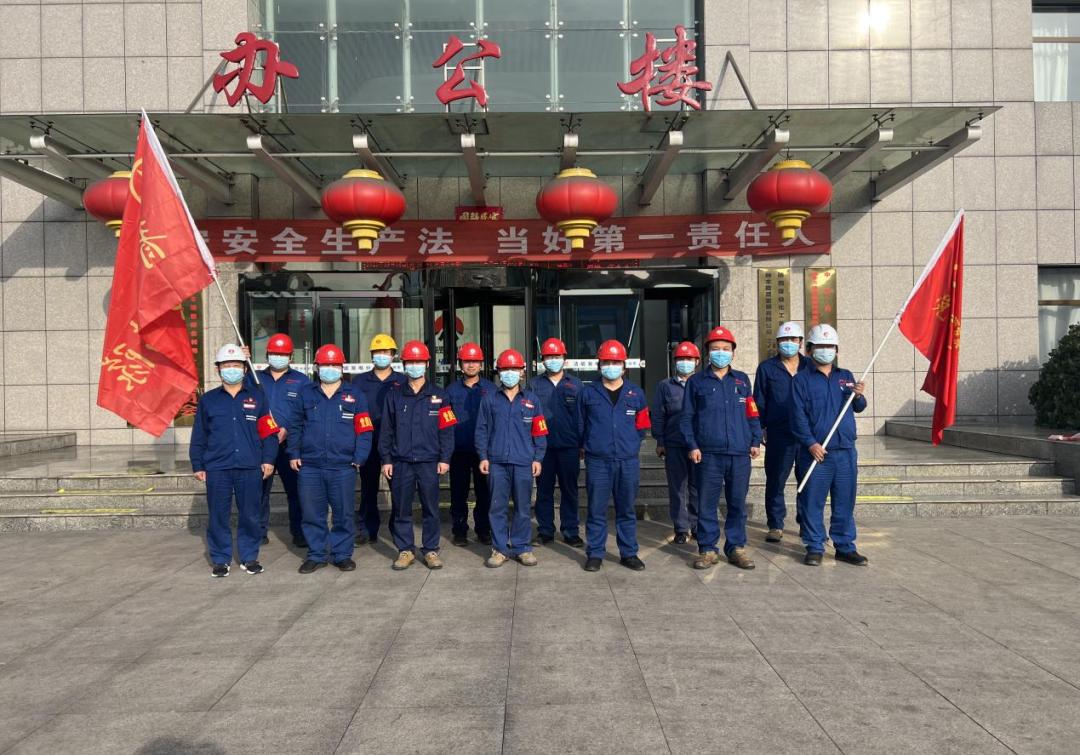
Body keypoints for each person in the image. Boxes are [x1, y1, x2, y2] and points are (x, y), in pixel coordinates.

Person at [190, 344, 278, 578]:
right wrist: (198, 464)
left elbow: (269, 433)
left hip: (250, 466)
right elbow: (199, 435)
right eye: (227, 365)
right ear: (218, 369)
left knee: (251, 514)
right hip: (217, 466)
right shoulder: (208, 400)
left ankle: (249, 557)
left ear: (245, 369)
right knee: (218, 515)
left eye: (236, 365)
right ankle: (221, 559)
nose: (232, 369)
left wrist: (269, 459)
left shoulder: (257, 397)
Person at [286, 344, 374, 574]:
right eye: (325, 365)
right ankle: (316, 555)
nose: (330, 369)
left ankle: (342, 555)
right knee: (311, 513)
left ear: (342, 368)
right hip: (310, 465)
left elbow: (364, 429)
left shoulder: (355, 395)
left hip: (343, 465)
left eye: (334, 365)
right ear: (317, 367)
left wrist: (360, 456)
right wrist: (293, 453)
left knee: (343, 513)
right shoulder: (305, 393)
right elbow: (295, 426)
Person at [680, 326, 761, 571]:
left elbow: (752, 412)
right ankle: (707, 549)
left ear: (733, 352)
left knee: (737, 503)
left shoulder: (742, 380)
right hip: (708, 454)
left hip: (739, 453)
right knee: (706, 503)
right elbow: (686, 418)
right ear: (707, 352)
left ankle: (736, 547)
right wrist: (692, 445)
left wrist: (755, 440)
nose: (721, 353)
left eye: (726, 348)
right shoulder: (696, 382)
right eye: (716, 348)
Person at [790, 324, 869, 567]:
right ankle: (814, 546)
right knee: (812, 501)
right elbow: (797, 417)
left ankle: (845, 546)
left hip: (845, 451)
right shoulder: (801, 380)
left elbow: (858, 407)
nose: (826, 350)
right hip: (817, 453)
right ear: (810, 350)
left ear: (837, 350)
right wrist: (810, 443)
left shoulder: (846, 376)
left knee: (844, 501)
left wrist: (859, 395)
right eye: (821, 346)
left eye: (830, 346)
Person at [380, 340, 456, 570]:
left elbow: (447, 430)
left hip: (429, 462)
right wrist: (386, 459)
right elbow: (386, 430)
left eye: (419, 361)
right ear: (404, 365)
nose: (415, 365)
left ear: (427, 364)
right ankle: (405, 550)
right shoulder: (394, 396)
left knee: (431, 508)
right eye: (410, 362)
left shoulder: (440, 395)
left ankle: (430, 549)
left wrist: (445, 458)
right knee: (401, 508)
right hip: (401, 462)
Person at [579, 339, 651, 572]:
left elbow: (642, 426)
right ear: (599, 365)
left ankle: (629, 553)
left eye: (616, 362)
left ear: (624, 365)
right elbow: (580, 424)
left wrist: (629, 445)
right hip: (598, 461)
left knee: (626, 509)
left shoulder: (636, 393)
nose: (611, 366)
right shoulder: (588, 392)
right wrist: (589, 444)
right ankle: (595, 553)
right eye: (606, 362)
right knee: (596, 509)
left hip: (627, 461)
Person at [475, 349, 548, 568]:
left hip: (523, 462)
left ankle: (522, 547)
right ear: (498, 372)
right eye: (505, 369)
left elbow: (540, 431)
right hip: (496, 462)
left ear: (522, 372)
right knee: (496, 507)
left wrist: (538, 458)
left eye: (514, 369)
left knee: (523, 507)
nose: (510, 373)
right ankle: (499, 549)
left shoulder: (532, 400)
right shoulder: (489, 399)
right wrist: (483, 456)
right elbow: (481, 430)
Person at [245, 333, 309, 548]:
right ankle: (259, 532)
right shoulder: (254, 378)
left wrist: (287, 430)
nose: (278, 357)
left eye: (283, 354)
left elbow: (306, 412)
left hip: (290, 445)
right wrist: (241, 361)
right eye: (274, 353)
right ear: (267, 355)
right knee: (259, 491)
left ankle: (299, 532)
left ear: (291, 357)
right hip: (262, 445)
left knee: (296, 492)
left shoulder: (301, 381)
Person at [753, 321, 810, 543]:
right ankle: (775, 524)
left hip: (807, 434)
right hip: (778, 432)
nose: (788, 343)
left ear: (800, 342)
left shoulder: (810, 366)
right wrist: (760, 428)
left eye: (793, 339)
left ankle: (806, 522)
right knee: (776, 480)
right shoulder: (767, 368)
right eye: (784, 340)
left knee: (807, 480)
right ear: (777, 343)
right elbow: (759, 400)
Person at [351, 333, 406, 545]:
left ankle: (397, 530)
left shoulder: (402, 381)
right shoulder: (359, 381)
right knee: (368, 488)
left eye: (386, 351)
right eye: (377, 352)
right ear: (372, 355)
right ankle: (367, 529)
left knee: (398, 489)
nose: (382, 355)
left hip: (395, 442)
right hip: (369, 440)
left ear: (393, 355)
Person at [530, 337, 584, 547]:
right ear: (543, 359)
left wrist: (582, 443)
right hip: (543, 448)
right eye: (549, 356)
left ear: (564, 358)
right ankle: (545, 531)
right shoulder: (534, 385)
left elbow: (582, 416)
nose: (553, 360)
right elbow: (529, 416)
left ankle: (570, 530)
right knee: (544, 491)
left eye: (557, 356)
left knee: (569, 490)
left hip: (569, 447)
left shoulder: (576, 385)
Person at [446, 342, 496, 547]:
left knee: (484, 493)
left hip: (483, 452)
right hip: (458, 451)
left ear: (481, 364)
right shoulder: (450, 390)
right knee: (458, 493)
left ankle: (483, 529)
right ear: (460, 364)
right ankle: (459, 531)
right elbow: (445, 422)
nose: (471, 365)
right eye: (467, 361)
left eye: (475, 361)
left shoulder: (491, 389)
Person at [651, 341, 700, 544]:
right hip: (674, 443)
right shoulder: (665, 386)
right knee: (677, 488)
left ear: (697, 361)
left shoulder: (703, 383)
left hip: (699, 445)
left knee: (697, 487)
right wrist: (660, 440)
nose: (684, 362)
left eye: (688, 358)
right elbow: (658, 415)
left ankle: (697, 526)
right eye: (680, 359)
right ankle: (681, 528)